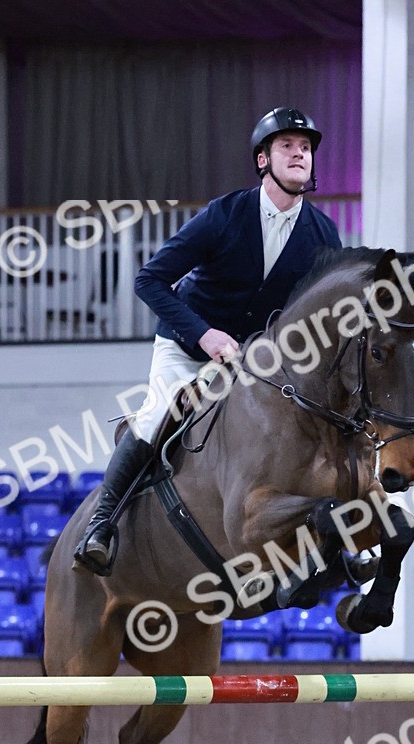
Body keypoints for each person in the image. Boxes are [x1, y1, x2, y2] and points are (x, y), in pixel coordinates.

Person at [74, 105, 342, 574]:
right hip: (186, 346)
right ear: (263, 160)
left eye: (305, 148)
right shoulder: (225, 213)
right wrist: (203, 333)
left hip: (256, 362)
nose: (300, 154)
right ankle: (101, 523)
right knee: (159, 412)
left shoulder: (324, 234)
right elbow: (149, 280)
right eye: (287, 146)